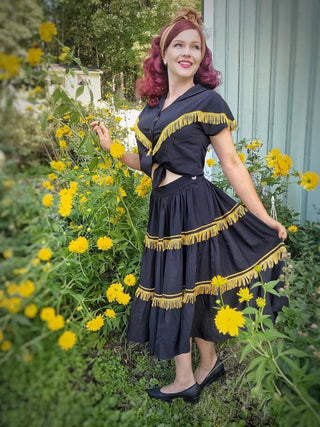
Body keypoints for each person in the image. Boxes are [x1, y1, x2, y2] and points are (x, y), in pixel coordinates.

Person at [91, 7, 288, 404]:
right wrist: (111, 148)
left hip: (194, 207)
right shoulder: (152, 109)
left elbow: (231, 162)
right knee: (181, 287)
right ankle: (204, 365)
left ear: (202, 57)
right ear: (162, 55)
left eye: (195, 46)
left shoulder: (207, 100)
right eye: (178, 44)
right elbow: (146, 164)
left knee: (185, 288)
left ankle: (188, 377)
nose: (187, 52)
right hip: (163, 208)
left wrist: (263, 216)